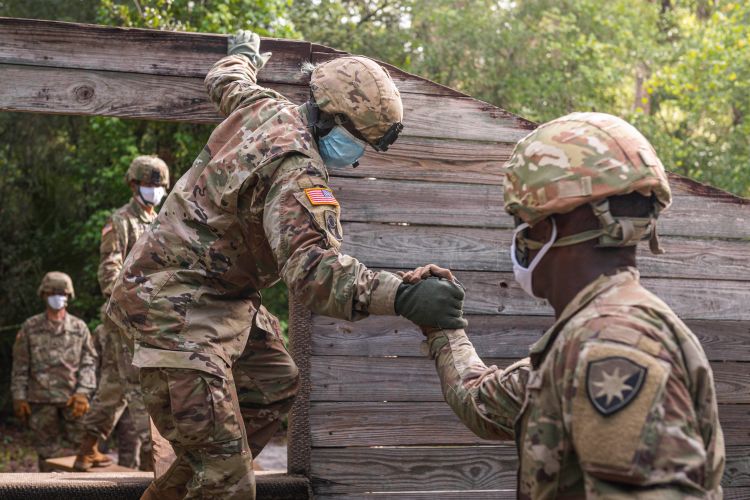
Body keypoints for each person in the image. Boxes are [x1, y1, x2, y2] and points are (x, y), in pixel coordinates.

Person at [106, 30, 466, 499]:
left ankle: (196, 477)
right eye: (359, 142)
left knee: (274, 383)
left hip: (214, 297)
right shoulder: (298, 171)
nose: (356, 159)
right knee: (227, 481)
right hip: (174, 313)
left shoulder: (266, 107)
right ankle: (214, 474)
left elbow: (226, 79)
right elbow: (314, 274)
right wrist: (404, 294)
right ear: (332, 118)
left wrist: (242, 56)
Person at [409, 113, 725, 498]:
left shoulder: (612, 347)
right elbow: (482, 402)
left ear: (544, 227)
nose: (520, 236)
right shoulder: (582, 342)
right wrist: (443, 327)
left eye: (521, 219)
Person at [74, 155, 170, 471]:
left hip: (152, 314)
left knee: (114, 387)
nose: (153, 189)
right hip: (126, 317)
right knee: (140, 384)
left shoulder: (163, 221)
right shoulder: (120, 221)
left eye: (158, 185)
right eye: (148, 184)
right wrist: (131, 306)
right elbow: (108, 269)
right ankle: (153, 458)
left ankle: (87, 448)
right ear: (133, 184)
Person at [11, 272, 97, 472]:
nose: (57, 297)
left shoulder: (79, 327)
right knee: (47, 455)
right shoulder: (30, 327)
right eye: (52, 292)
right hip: (41, 402)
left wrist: (83, 392)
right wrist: (18, 397)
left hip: (74, 401)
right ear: (43, 294)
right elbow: (20, 366)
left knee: (82, 453)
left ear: (69, 295)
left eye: (61, 293)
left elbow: (88, 362)